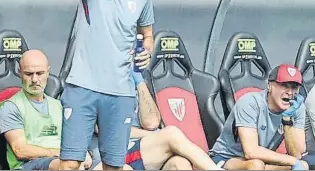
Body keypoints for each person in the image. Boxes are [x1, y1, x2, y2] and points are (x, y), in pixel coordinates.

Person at [59, 0, 154, 170]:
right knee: (70, 163)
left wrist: (147, 51)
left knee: (114, 166)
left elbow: (148, 34)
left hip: (121, 92)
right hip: (83, 87)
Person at [90, 71, 223, 170]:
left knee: (180, 164)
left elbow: (152, 122)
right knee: (171, 133)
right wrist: (156, 135)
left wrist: (140, 82)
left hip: (145, 152)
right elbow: (106, 130)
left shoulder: (132, 81)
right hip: (114, 154)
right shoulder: (99, 81)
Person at [0, 50, 92, 170]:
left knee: (118, 167)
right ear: (20, 73)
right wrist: (65, 155)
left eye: (40, 73)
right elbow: (20, 150)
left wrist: (82, 153)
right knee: (70, 165)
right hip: (28, 165)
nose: (35, 79)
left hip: (62, 159)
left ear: (48, 72)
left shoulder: (58, 106)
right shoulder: (11, 107)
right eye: (29, 74)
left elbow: (73, 140)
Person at [209, 64, 309, 170]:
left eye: (294, 87)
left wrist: (287, 120)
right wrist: (292, 161)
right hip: (225, 158)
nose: (290, 92)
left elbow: (297, 155)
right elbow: (250, 152)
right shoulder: (250, 102)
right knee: (255, 165)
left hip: (262, 161)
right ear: (270, 86)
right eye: (284, 85)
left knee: (303, 165)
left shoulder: (297, 108)